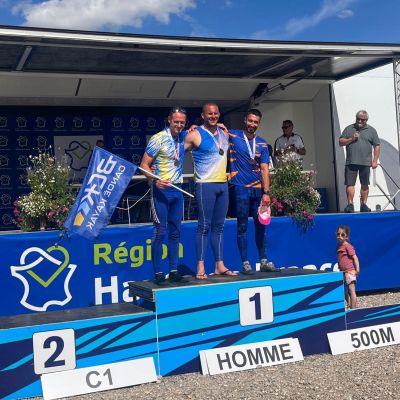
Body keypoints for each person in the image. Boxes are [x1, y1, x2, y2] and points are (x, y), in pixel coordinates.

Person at [184, 103, 237, 279]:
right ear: (203, 115)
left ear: (219, 114)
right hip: (205, 185)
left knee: (219, 226)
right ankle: (200, 266)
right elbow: (175, 150)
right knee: (204, 226)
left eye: (215, 113)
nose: (213, 116)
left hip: (222, 185)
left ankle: (219, 265)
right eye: (209, 114)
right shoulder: (195, 134)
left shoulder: (224, 133)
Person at [227, 109, 279, 275]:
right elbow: (215, 128)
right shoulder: (233, 135)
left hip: (258, 191)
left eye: (255, 122)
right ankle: (245, 262)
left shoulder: (262, 143)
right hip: (240, 188)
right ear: (245, 120)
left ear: (259, 123)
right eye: (250, 121)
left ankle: (263, 261)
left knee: (261, 226)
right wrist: (195, 128)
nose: (252, 124)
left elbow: (265, 168)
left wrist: (266, 192)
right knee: (242, 226)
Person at [140, 107, 188, 285]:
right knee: (160, 232)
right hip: (161, 190)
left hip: (178, 189)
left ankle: (173, 270)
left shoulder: (184, 137)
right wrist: (155, 180)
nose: (179, 125)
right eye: (176, 122)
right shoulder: (158, 138)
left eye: (182, 122)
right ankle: (158, 272)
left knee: (175, 231)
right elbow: (144, 164)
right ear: (169, 120)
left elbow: (204, 131)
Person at [339, 110, 380, 213]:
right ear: (356, 118)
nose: (360, 121)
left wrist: (375, 161)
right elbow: (341, 142)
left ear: (366, 120)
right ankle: (350, 205)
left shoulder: (372, 130)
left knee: (365, 185)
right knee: (350, 184)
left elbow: (377, 145)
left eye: (363, 119)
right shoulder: (349, 128)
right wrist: (351, 138)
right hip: (351, 162)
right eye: (358, 119)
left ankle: (364, 205)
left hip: (365, 162)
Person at [336, 225, 360, 309]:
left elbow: (355, 257)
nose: (340, 236)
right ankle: (349, 303)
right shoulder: (338, 246)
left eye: (342, 235)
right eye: (338, 234)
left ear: (346, 237)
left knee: (351, 289)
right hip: (342, 272)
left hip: (350, 271)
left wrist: (357, 269)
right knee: (342, 289)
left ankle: (353, 309)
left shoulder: (348, 246)